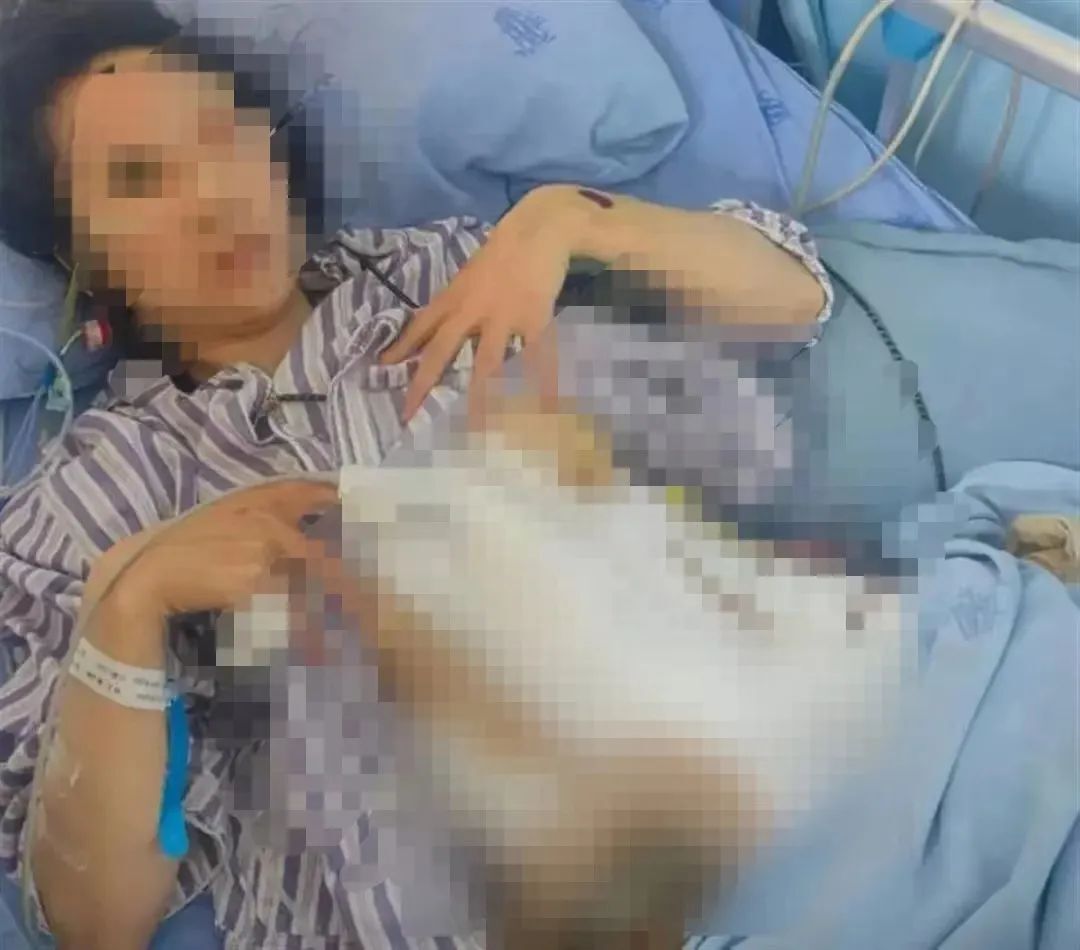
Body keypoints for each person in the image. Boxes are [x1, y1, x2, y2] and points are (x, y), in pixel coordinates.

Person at [0, 2, 832, 947]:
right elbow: (89, 920)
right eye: (140, 179)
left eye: (223, 135)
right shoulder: (103, 496)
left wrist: (568, 221)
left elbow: (793, 300)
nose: (214, 195)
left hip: (764, 815)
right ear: (79, 252)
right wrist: (129, 612)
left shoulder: (445, 270)